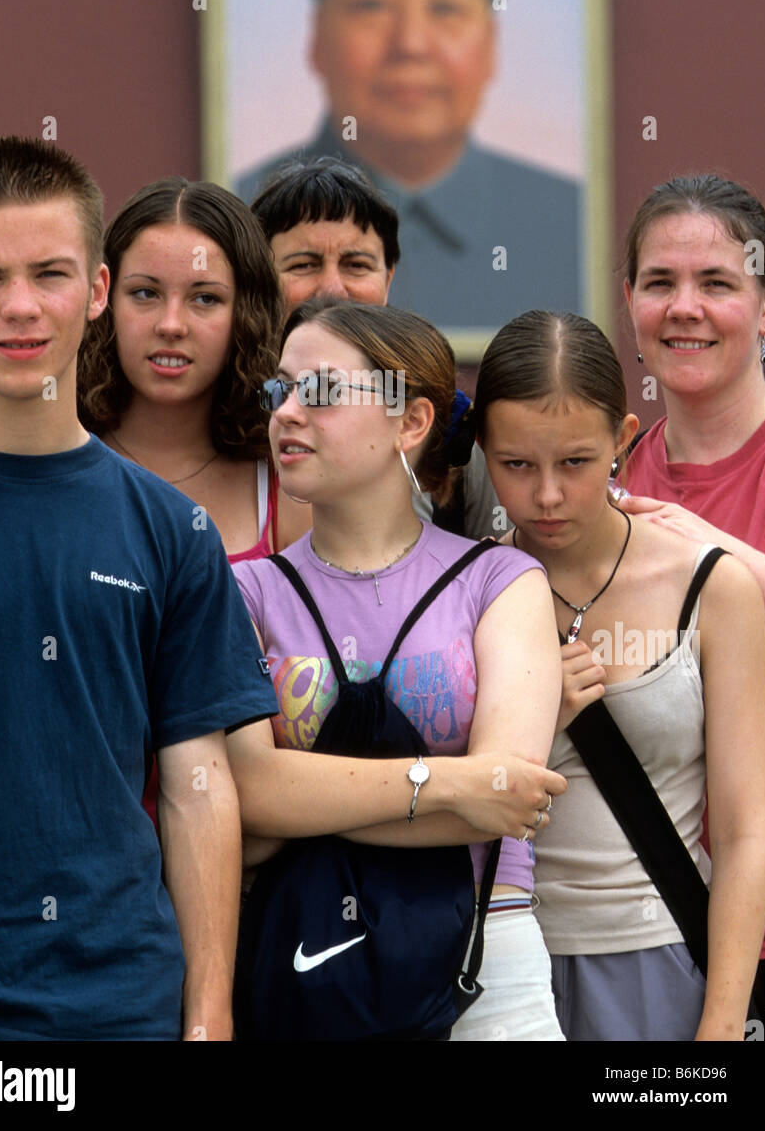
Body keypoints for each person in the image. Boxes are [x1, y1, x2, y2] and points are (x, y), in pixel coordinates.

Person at [0, 136, 278, 1040]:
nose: (19, 307)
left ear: (95, 290)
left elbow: (199, 783)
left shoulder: (170, 530)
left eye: (50, 273)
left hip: (122, 1006)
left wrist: (207, 1017)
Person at [227, 297, 567, 1040]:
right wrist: (444, 784)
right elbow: (246, 798)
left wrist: (307, 800)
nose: (286, 412)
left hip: (486, 950)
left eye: (317, 390)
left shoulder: (499, 581)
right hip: (308, 956)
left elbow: (506, 794)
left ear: (409, 423)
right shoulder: (244, 592)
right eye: (278, 389)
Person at [476, 308, 765, 1040]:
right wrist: (535, 721)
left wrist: (720, 1027)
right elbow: (442, 792)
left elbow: (744, 830)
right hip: (499, 959)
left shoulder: (710, 585)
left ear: (621, 440)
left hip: (660, 957)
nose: (546, 496)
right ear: (482, 451)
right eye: (517, 465)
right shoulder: (462, 585)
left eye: (574, 463)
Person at [235, 0, 581, 332]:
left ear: (492, 45)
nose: (411, 44)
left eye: (445, 8)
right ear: (318, 35)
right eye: (372, 5)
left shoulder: (564, 220)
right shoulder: (240, 209)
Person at [621, 174, 765, 1016]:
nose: (684, 308)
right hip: (654, 935)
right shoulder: (601, 482)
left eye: (716, 283)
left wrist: (708, 549)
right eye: (659, 283)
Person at [251, 156, 498, 539]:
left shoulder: (445, 429)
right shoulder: (221, 424)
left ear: (389, 277)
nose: (333, 288)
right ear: (260, 280)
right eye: (304, 265)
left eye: (356, 265)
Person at [78, 176, 309, 561]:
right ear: (103, 298)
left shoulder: (288, 483)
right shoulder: (52, 456)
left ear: (246, 314)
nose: (171, 325)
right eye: (145, 293)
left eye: (205, 298)